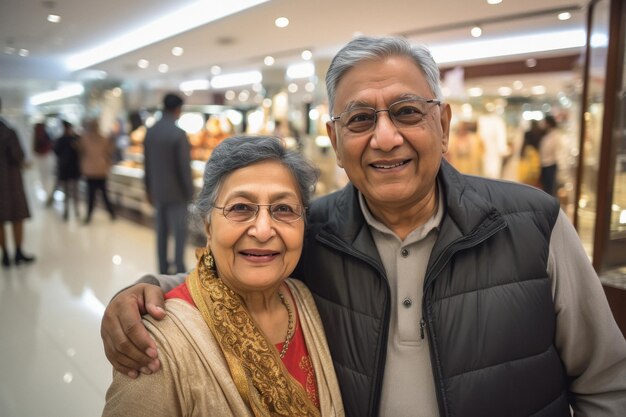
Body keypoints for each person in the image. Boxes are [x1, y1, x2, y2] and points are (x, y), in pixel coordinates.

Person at [100, 36, 626, 417]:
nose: (386, 137)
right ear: (334, 137)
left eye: (405, 112)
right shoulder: (314, 231)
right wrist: (141, 292)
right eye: (360, 119)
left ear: (441, 125)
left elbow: (607, 384)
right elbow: (235, 270)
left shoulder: (534, 224)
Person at [102, 135, 343, 417]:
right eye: (241, 208)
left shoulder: (306, 301)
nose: (263, 231)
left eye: (283, 209)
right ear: (208, 226)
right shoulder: (158, 344)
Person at [143, 93, 194, 274]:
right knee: (180, 233)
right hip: (177, 193)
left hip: (158, 191)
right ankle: (179, 269)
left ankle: (162, 269)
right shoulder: (178, 134)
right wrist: (190, 192)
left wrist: (148, 189)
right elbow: (184, 168)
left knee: (161, 232)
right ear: (178, 109)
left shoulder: (150, 131)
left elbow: (147, 163)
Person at [0, 97, 36, 267]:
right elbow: (18, 156)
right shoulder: (8, 132)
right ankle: (18, 252)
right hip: (11, 182)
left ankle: (5, 254)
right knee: (17, 217)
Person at [79, 118, 116, 224]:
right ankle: (111, 213)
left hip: (91, 170)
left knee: (91, 195)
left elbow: (81, 153)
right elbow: (109, 152)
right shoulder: (102, 138)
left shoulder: (85, 139)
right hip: (100, 169)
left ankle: (89, 215)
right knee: (104, 194)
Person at [53, 120, 81, 221]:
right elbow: (56, 152)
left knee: (74, 191)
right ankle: (67, 211)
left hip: (71, 169)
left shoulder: (74, 139)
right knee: (68, 191)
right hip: (66, 169)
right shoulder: (62, 140)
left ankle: (76, 211)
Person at [517, 119, 544, 187]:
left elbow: (524, 144)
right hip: (535, 154)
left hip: (527, 155)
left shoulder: (527, 133)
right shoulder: (539, 133)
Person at [539, 114, 561, 196]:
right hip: (545, 164)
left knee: (550, 189)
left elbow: (557, 151)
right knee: (546, 188)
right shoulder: (548, 134)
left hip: (551, 164)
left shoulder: (556, 135)